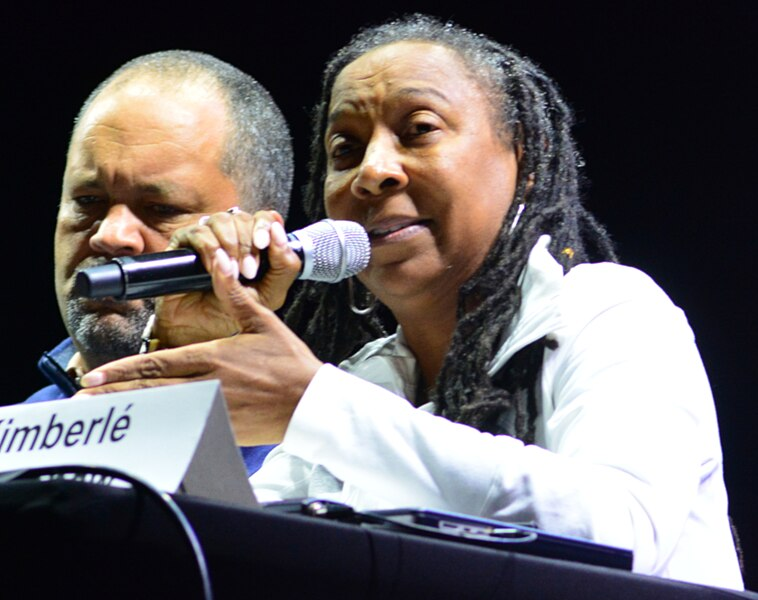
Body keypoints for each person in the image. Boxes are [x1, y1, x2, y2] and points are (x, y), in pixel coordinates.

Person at [77, 15, 744, 589]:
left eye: (419, 129)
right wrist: (201, 348)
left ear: (524, 162)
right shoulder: (370, 380)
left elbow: (617, 536)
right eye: (345, 148)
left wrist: (313, 403)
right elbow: (230, 560)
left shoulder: (610, 314)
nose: (373, 170)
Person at [25, 49, 297, 474]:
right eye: (88, 201)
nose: (110, 235)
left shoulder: (314, 461)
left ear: (260, 239)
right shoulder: (17, 436)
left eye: (160, 209)